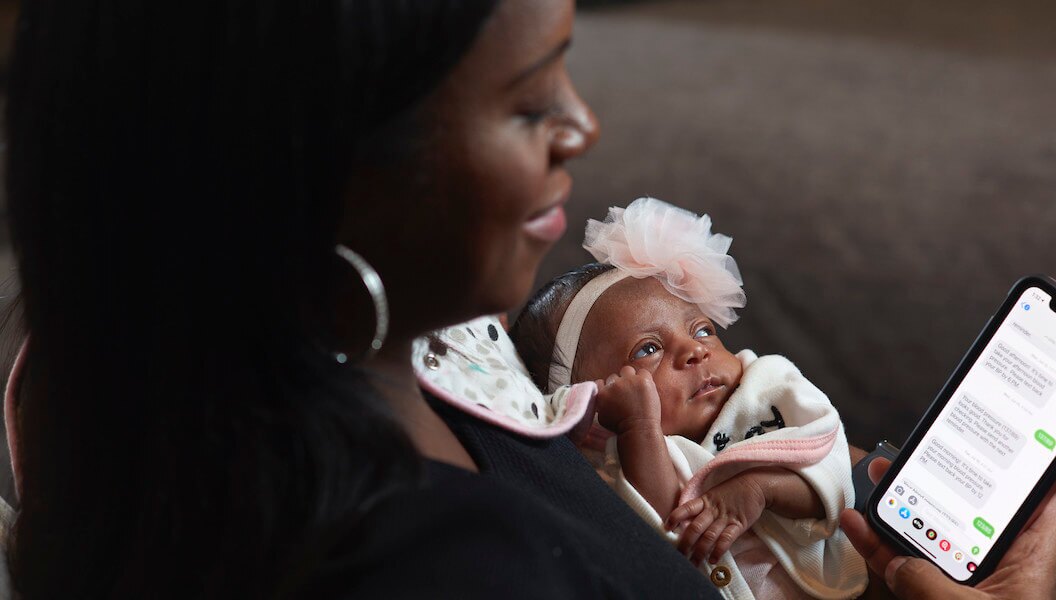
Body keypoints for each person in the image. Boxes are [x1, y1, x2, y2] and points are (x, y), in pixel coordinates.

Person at [2, 0, 720, 597]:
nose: (581, 128)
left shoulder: (128, 374)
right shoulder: (447, 567)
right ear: (322, 172)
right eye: (529, 103)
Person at [511, 197, 867, 599]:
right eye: (648, 349)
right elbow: (666, 533)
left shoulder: (766, 388)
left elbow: (833, 471)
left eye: (701, 330)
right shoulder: (616, 458)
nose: (695, 351)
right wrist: (639, 428)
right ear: (591, 399)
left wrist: (759, 488)